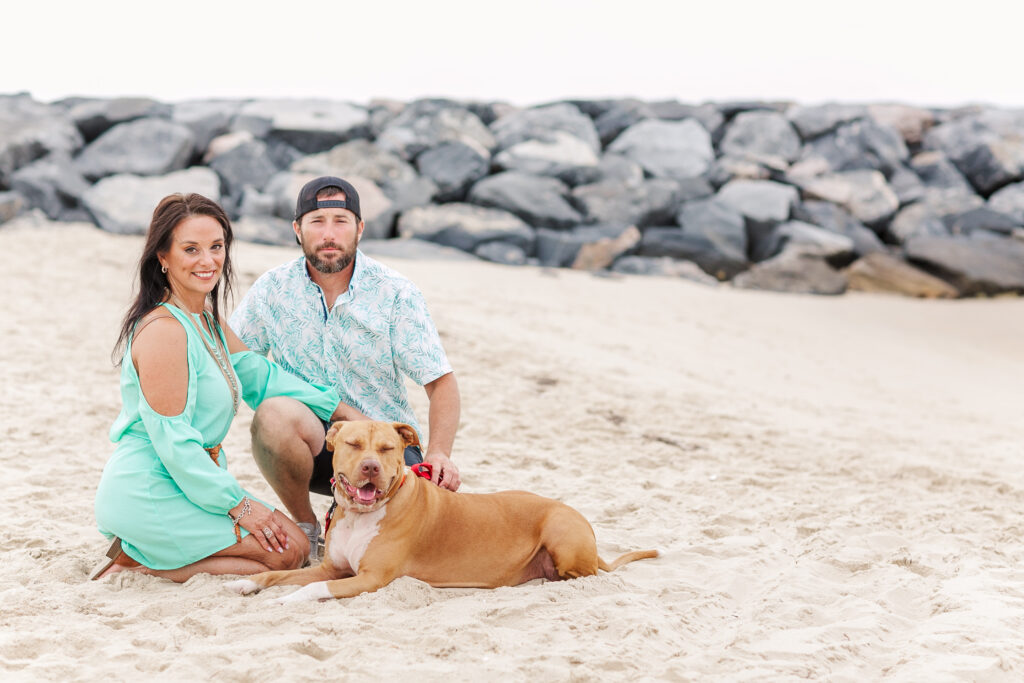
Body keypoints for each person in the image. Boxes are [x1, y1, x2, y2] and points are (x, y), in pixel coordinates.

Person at [92, 193, 366, 582]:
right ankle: (144, 563)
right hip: (153, 488)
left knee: (298, 548)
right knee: (287, 555)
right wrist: (238, 505)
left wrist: (341, 411)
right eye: (191, 249)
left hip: (191, 481)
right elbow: (173, 442)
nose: (208, 261)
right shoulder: (164, 332)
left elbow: (260, 376)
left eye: (216, 247)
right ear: (163, 258)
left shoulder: (204, 317)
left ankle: (147, 554)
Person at [229, 176, 461, 560]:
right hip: (316, 450)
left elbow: (441, 383)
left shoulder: (395, 292)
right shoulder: (272, 289)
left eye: (341, 220)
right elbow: (233, 363)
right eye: (317, 221)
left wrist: (439, 453)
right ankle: (309, 527)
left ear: (360, 228)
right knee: (274, 414)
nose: (329, 234)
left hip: (388, 453)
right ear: (297, 229)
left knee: (423, 551)